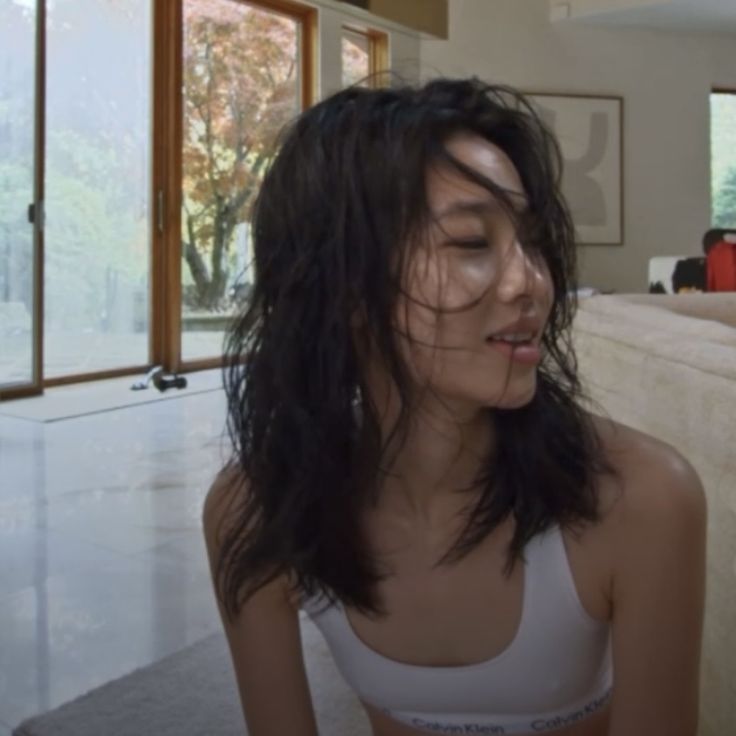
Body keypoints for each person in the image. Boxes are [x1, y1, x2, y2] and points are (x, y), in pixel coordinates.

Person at [202, 77, 707, 736]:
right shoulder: (252, 509)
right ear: (346, 284)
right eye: (471, 243)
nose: (532, 282)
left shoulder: (642, 497)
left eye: (530, 243)